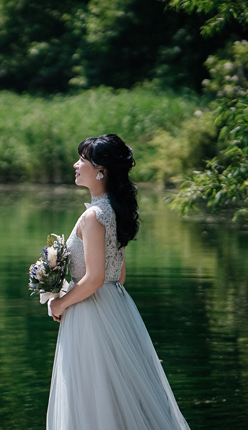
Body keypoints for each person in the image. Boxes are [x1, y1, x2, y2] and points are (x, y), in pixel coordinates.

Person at [46, 133, 189, 429]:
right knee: (119, 392)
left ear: (101, 170)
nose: (75, 164)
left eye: (82, 160)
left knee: (91, 394)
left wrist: (60, 303)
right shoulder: (115, 209)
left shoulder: (93, 216)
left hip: (91, 313)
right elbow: (118, 276)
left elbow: (95, 278)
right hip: (116, 307)